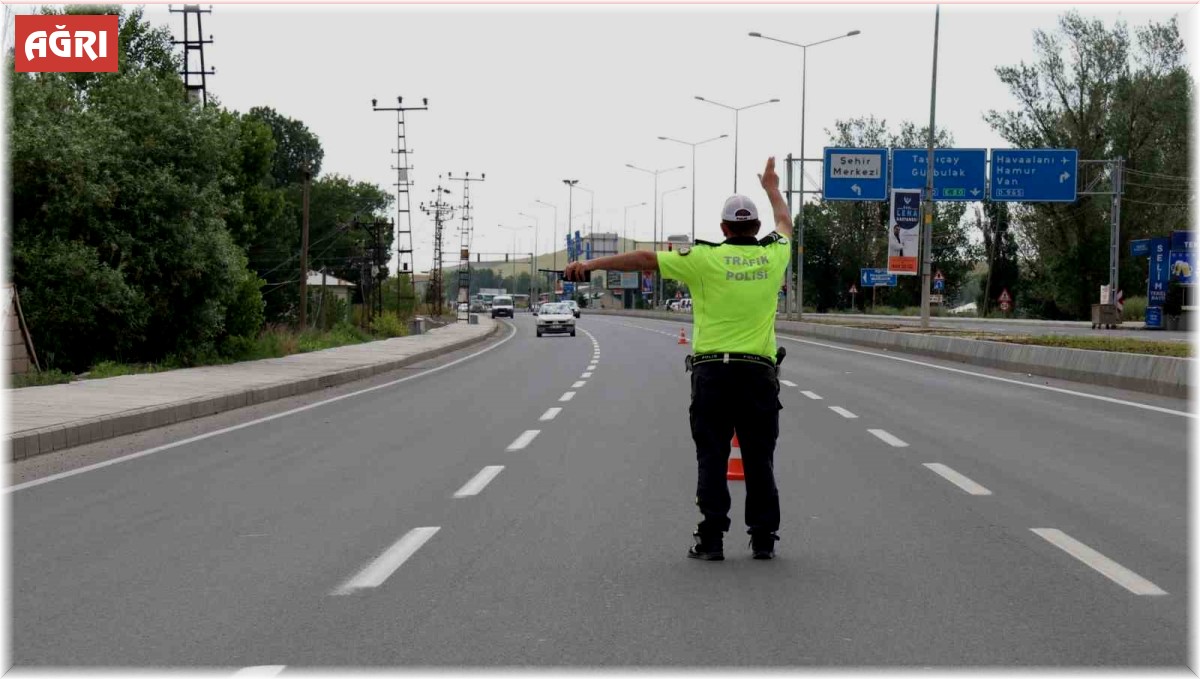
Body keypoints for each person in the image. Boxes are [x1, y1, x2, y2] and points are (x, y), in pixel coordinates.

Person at [564, 157, 792, 561]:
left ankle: (711, 540)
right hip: (758, 375)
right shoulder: (774, 256)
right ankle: (762, 538)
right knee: (760, 458)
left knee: (712, 456)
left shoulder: (704, 258)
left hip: (713, 376)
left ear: (722, 229)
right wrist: (772, 187)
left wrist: (591, 265)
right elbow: (786, 224)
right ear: (755, 228)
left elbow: (644, 259)